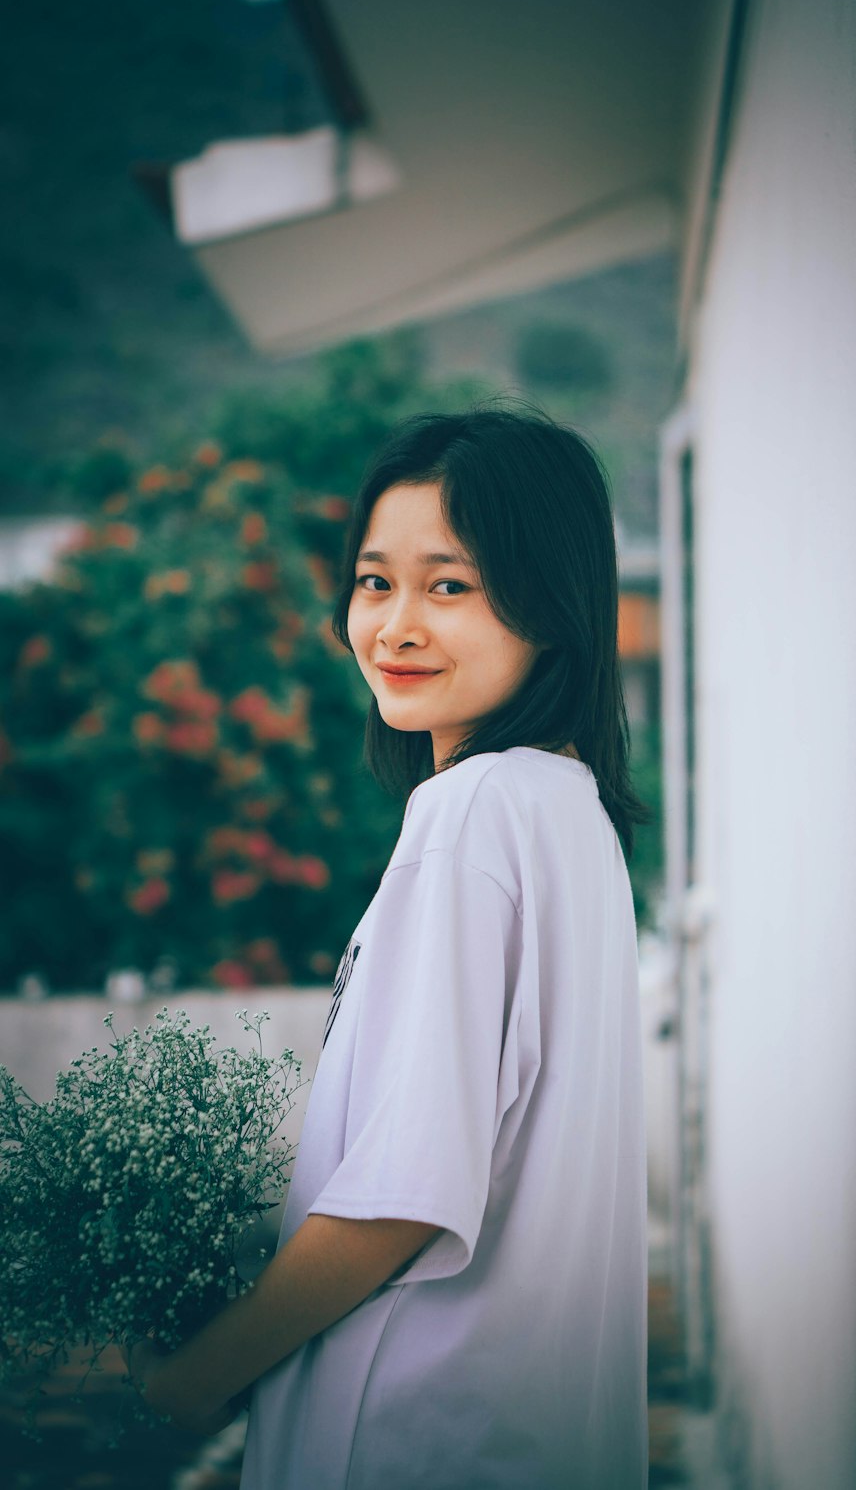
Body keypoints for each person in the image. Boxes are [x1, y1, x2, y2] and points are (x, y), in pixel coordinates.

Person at [126, 404, 651, 1489]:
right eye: (375, 581)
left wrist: (197, 1376)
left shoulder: (471, 817)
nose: (395, 626)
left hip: (413, 1436)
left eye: (447, 585)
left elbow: (405, 1193)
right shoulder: (569, 814)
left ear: (549, 604)